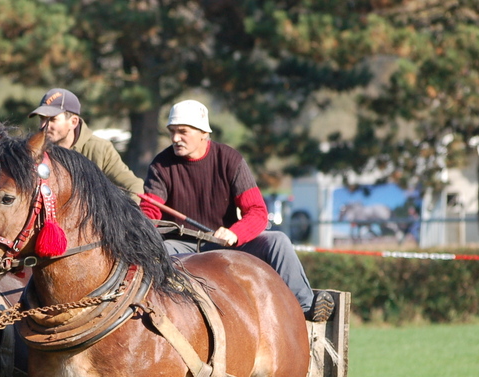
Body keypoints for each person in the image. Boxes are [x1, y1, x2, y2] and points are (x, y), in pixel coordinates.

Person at [139, 100, 334, 323]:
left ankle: (307, 310)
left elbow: (257, 211)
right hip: (180, 245)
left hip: (226, 243)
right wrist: (142, 223)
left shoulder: (230, 159)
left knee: (278, 241)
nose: (175, 138)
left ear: (203, 132)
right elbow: (150, 211)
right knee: (159, 249)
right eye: (172, 132)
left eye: (183, 131)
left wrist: (235, 233)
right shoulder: (160, 165)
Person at [29, 88, 144, 196]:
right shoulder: (34, 150)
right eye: (42, 119)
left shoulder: (99, 149)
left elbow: (134, 186)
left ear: (73, 122)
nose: (44, 125)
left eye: (52, 120)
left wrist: (131, 215)